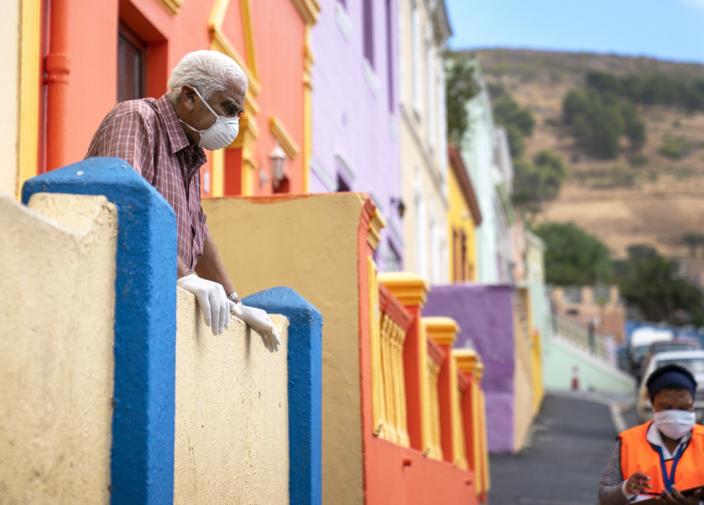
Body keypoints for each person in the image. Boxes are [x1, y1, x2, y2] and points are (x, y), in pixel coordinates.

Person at [86, 50, 279, 351]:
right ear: (189, 96)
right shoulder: (137, 121)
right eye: (227, 109)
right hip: (111, 309)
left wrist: (234, 303)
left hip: (155, 314)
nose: (232, 123)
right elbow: (121, 208)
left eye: (236, 114)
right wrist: (183, 276)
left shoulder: (189, 152)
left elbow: (197, 236)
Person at [599, 364, 704, 504]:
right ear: (653, 405)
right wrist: (626, 489)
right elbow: (604, 497)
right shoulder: (629, 442)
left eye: (684, 407)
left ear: (692, 403)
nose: (675, 415)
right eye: (666, 407)